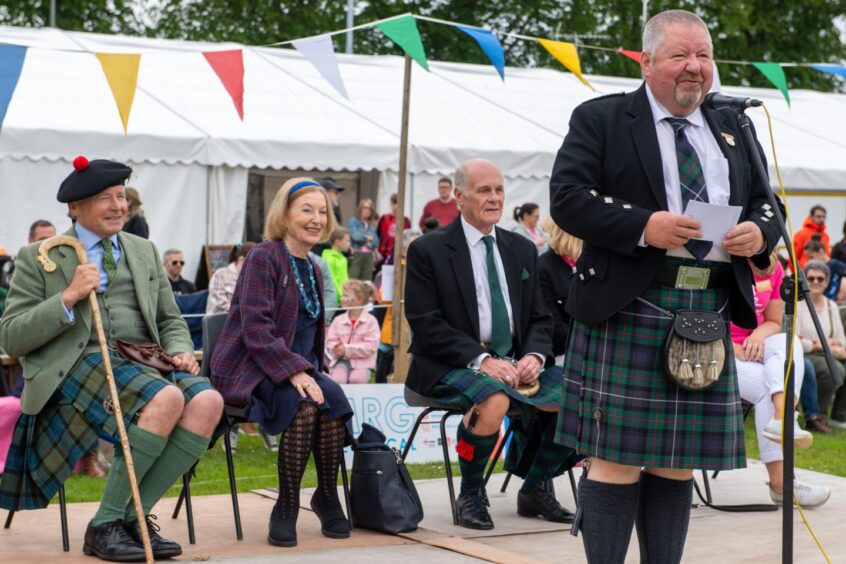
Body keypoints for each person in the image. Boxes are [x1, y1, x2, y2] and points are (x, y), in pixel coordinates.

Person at [549, 11, 783, 563]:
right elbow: (568, 197)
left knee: (677, 457)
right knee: (614, 457)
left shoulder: (733, 124)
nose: (695, 68)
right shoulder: (602, 118)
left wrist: (760, 232)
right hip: (630, 304)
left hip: (706, 304)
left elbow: (766, 201)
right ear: (648, 61)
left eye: (703, 55)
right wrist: (642, 226)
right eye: (680, 56)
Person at [0, 157, 223, 562]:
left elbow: (169, 319)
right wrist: (66, 297)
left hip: (147, 359)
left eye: (121, 197)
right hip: (77, 361)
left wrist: (180, 349)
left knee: (209, 402)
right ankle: (105, 526)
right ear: (75, 208)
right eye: (105, 198)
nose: (119, 206)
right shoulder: (40, 255)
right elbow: (11, 336)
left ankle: (130, 518)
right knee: (166, 399)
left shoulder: (143, 249)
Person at [405, 158, 577, 531]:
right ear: (460, 198)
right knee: (494, 397)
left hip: (513, 364)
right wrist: (482, 359)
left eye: (499, 189)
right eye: (484, 190)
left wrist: (534, 355)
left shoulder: (521, 248)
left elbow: (539, 319)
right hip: (448, 364)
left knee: (586, 392)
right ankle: (471, 493)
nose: (495, 197)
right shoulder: (427, 250)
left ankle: (533, 488)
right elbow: (425, 324)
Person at [210, 178, 352, 548]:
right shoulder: (264, 256)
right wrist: (296, 371)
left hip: (298, 369)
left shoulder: (314, 268)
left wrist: (307, 371)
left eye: (322, 211)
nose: (316, 218)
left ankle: (325, 494)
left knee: (334, 402)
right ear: (284, 215)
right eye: (306, 210)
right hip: (251, 368)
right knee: (305, 406)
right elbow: (256, 329)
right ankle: (286, 505)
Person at [731, 254, 830, 508]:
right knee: (769, 387)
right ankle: (782, 484)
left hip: (757, 346)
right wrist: (732, 346)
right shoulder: (723, 262)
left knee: (790, 342)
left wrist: (757, 334)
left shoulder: (772, 267)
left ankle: (781, 418)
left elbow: (774, 321)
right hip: (721, 350)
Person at [797, 261, 846, 429]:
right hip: (806, 354)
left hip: (826, 353)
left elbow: (841, 339)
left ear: (826, 282)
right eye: (811, 278)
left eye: (820, 278)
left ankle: (839, 415)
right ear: (804, 280)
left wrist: (830, 345)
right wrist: (821, 344)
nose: (816, 282)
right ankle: (818, 416)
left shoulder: (831, 306)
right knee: (834, 370)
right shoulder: (797, 304)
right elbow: (795, 340)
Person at [373, 229, 421, 384]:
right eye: (412, 246)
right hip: (394, 322)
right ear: (402, 250)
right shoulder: (392, 269)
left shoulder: (425, 267)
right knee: (385, 360)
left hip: (419, 322)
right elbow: (382, 298)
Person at [537, 216, 581, 357]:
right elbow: (554, 325)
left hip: (592, 344)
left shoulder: (587, 262)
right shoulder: (543, 267)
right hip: (565, 353)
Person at [326, 279, 380, 384]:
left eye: (346, 296)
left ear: (359, 299)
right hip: (341, 361)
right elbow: (330, 342)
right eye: (342, 295)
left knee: (357, 379)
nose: (342, 299)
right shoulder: (338, 320)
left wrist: (346, 349)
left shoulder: (371, 321)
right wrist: (335, 349)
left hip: (363, 363)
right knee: (337, 380)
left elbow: (371, 346)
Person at [206, 242, 256, 314]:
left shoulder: (253, 278)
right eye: (255, 263)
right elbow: (221, 303)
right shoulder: (220, 274)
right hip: (219, 322)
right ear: (242, 260)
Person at [347, 199, 379, 281]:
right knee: (353, 280)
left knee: (366, 283)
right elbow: (355, 237)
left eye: (370, 209)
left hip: (369, 255)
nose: (367, 210)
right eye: (365, 208)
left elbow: (376, 242)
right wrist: (367, 238)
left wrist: (367, 242)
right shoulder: (353, 221)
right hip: (356, 253)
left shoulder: (371, 225)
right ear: (360, 209)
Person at [376, 193, 410, 267]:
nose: (396, 206)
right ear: (391, 204)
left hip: (400, 254)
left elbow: (407, 238)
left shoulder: (406, 220)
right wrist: (377, 252)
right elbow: (377, 235)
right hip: (384, 254)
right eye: (394, 203)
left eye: (399, 203)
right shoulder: (384, 218)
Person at [793, 205, 830, 270]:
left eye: (824, 217)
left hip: (823, 272)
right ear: (811, 217)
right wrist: (798, 275)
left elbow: (826, 255)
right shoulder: (801, 234)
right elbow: (793, 258)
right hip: (805, 273)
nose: (822, 219)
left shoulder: (825, 235)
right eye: (818, 216)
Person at [322, 227, 350, 298]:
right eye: (347, 241)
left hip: (344, 298)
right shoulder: (328, 259)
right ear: (337, 241)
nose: (349, 244)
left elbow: (345, 279)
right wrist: (342, 296)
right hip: (335, 299)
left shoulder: (343, 259)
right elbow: (332, 281)